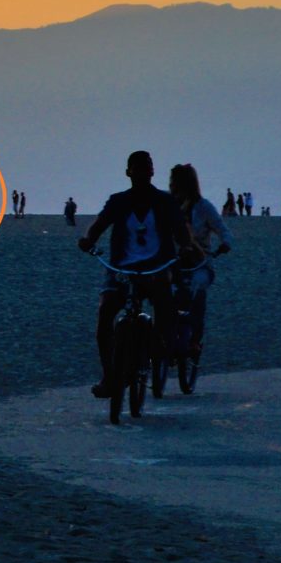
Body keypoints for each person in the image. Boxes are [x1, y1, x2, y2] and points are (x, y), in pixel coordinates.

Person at [78, 151, 195, 398]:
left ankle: (154, 354)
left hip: (156, 268)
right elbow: (99, 225)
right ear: (128, 172)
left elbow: (181, 231)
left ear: (152, 172)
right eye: (137, 168)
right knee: (104, 318)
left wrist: (185, 248)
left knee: (166, 312)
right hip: (121, 269)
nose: (141, 173)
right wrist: (88, 240)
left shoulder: (164, 202)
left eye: (146, 168)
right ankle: (110, 375)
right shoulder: (118, 201)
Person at [168, 163, 231, 360]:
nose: (171, 186)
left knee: (198, 290)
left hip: (200, 262)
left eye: (174, 182)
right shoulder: (168, 206)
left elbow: (223, 229)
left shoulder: (203, 207)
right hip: (172, 262)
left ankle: (195, 340)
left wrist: (225, 243)